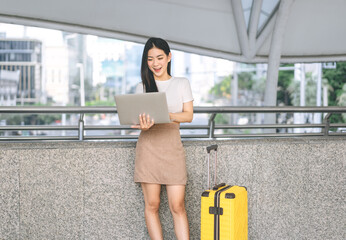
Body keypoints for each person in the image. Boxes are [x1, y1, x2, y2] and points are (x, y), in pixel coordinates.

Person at [131, 37, 193, 240]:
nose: (155, 63)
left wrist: (167, 115)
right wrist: (143, 124)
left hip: (172, 149)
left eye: (159, 57)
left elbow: (188, 115)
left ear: (169, 57)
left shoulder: (181, 83)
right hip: (148, 149)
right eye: (150, 59)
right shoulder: (141, 87)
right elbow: (138, 118)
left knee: (178, 205)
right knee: (152, 205)